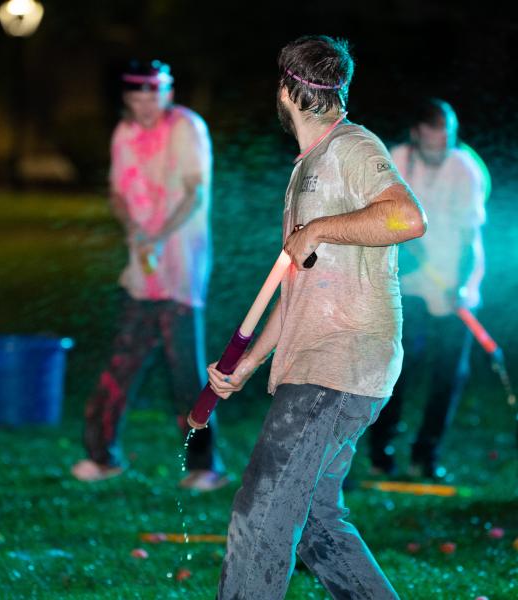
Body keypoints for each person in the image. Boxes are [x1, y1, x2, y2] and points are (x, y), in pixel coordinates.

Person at [207, 35, 426, 600]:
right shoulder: (308, 167)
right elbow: (298, 290)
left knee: (261, 513)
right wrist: (249, 363)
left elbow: (406, 218)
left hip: (340, 365)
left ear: (285, 90)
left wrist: (321, 228)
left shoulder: (351, 147)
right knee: (318, 525)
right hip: (319, 363)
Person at [71, 59, 228, 492]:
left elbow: (194, 194)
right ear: (127, 98)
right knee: (119, 367)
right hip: (141, 273)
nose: (144, 106)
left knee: (186, 375)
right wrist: (135, 231)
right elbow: (118, 193)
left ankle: (206, 465)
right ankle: (102, 458)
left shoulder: (186, 128)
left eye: (152, 96)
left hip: (181, 272)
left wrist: (157, 236)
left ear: (167, 94)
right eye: (137, 98)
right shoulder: (124, 133)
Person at [369, 99, 488, 480]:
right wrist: (402, 239)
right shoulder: (395, 159)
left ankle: (427, 454)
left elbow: (471, 235)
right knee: (400, 365)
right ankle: (382, 451)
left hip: (454, 281)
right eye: (433, 141)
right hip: (407, 279)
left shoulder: (465, 168)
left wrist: (461, 284)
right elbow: (377, 214)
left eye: (446, 141)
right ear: (417, 133)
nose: (439, 150)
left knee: (450, 373)